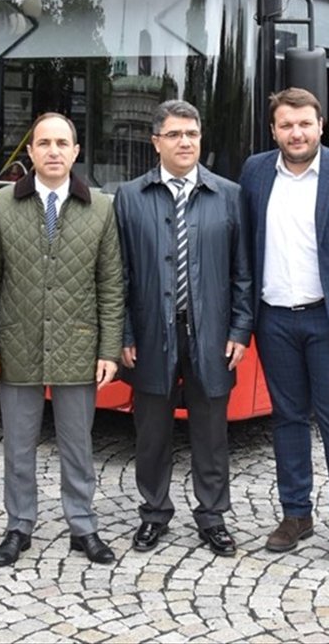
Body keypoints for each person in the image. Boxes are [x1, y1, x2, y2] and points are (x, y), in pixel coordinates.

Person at [239, 87, 329, 569]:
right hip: (275, 317)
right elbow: (245, 249)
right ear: (274, 131)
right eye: (286, 125)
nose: (296, 133)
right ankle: (296, 515)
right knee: (286, 419)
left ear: (321, 125)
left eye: (304, 123)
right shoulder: (256, 172)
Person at [0, 112, 124, 568]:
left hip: (79, 344)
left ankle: (83, 525)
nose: (54, 151)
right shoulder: (0, 205)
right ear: (31, 152)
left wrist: (109, 350)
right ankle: (19, 525)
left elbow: (111, 285)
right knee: (18, 444)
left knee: (78, 443)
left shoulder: (101, 207)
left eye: (62, 143)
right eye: (44, 143)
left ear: (76, 152)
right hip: (16, 344)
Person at [114, 100, 253, 557]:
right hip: (153, 333)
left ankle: (212, 517)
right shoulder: (130, 197)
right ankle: (154, 513)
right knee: (151, 432)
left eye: (191, 133)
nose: (185, 142)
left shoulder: (228, 195)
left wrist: (239, 329)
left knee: (211, 433)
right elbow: (120, 275)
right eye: (174, 134)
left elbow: (243, 272)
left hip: (210, 334)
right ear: (156, 142)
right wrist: (126, 334)